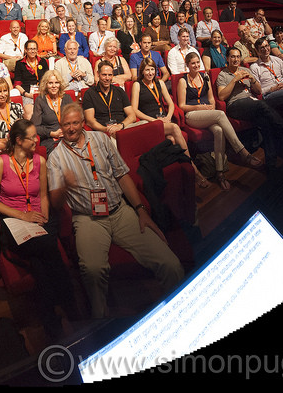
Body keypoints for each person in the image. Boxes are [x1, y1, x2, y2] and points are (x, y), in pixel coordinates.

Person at [46, 101, 185, 319]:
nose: (70, 128)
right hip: (88, 219)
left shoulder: (101, 140)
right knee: (92, 270)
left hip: (120, 211)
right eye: (66, 125)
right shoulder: (55, 157)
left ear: (83, 123)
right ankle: (100, 320)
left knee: (171, 264)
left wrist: (141, 210)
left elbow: (122, 175)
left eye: (74, 123)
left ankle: (176, 314)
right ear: (60, 126)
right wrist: (64, 186)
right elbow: (55, 203)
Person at [0, 119, 77, 334]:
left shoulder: (40, 161)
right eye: (32, 137)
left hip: (38, 219)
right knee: (49, 250)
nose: (37, 140)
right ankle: (71, 306)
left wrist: (44, 215)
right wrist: (22, 215)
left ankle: (51, 323)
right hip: (14, 221)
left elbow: (43, 195)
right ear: (18, 140)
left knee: (39, 264)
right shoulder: (1, 162)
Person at [177, 51, 261, 189]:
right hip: (192, 115)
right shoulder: (182, 80)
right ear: (187, 65)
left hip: (208, 114)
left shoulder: (205, 77)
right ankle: (242, 152)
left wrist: (210, 107)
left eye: (198, 62)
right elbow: (181, 106)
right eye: (193, 63)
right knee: (221, 115)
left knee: (219, 130)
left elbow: (212, 100)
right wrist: (199, 108)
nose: (196, 65)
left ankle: (220, 173)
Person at [130, 57, 210, 188]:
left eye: (152, 70)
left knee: (172, 140)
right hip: (150, 122)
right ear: (142, 72)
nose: (150, 73)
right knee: (174, 128)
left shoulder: (160, 83)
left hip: (164, 120)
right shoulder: (137, 85)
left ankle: (180, 178)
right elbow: (134, 109)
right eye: (147, 70)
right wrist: (154, 120)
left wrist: (168, 116)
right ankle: (194, 170)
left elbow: (171, 103)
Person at [81, 61, 138, 139]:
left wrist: (120, 126)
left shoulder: (119, 91)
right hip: (104, 131)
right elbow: (90, 121)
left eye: (110, 75)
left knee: (146, 125)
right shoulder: (89, 93)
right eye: (104, 75)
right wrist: (107, 130)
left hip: (123, 127)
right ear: (98, 74)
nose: (107, 78)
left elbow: (132, 116)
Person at [31, 69, 75, 155]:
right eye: (50, 83)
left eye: (56, 83)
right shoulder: (40, 100)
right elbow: (35, 126)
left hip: (68, 135)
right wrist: (52, 133)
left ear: (60, 84)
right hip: (50, 139)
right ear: (45, 85)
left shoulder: (67, 98)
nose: (54, 86)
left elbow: (75, 120)